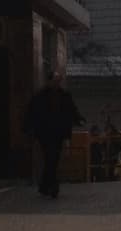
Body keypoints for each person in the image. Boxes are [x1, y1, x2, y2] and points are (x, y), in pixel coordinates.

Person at [26, 71, 83, 199]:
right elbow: (31, 113)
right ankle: (53, 186)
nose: (57, 83)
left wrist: (78, 119)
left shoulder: (64, 95)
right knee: (50, 158)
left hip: (58, 133)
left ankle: (45, 186)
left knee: (53, 159)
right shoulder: (40, 96)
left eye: (59, 81)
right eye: (55, 80)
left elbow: (72, 109)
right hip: (45, 133)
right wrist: (29, 128)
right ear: (49, 81)